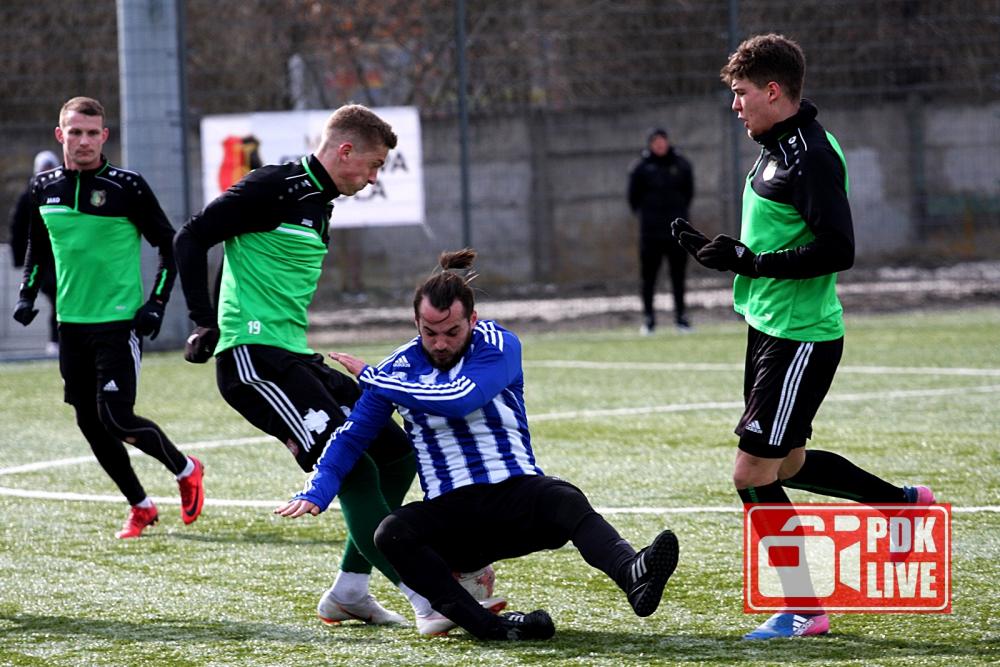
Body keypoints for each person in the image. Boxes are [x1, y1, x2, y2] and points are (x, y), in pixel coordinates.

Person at [670, 34, 936, 640]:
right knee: (783, 463)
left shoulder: (809, 152)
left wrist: (754, 264)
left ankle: (804, 607)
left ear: (772, 90)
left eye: (741, 95)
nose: (735, 106)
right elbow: (775, 236)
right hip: (769, 329)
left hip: (800, 337)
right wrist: (728, 256)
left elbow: (838, 249)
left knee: (750, 473)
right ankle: (901, 505)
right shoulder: (773, 146)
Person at [275, 248, 680, 641]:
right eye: (429, 332)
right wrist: (321, 485)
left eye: (452, 331)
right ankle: (492, 628)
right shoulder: (398, 367)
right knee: (391, 533)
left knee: (563, 497)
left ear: (473, 318)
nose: (440, 343)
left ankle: (633, 572)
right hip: (454, 519)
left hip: (515, 498)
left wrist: (375, 377)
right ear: (416, 323)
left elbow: (461, 398)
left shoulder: (497, 343)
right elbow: (353, 435)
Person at [173, 103, 438, 628]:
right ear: (345, 151)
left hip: (294, 356)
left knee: (395, 449)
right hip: (253, 360)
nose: (374, 176)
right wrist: (205, 322)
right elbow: (191, 237)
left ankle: (350, 591)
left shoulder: (321, 201)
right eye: (373, 164)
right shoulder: (274, 185)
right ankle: (428, 596)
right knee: (353, 465)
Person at [12, 96, 204, 539]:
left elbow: (167, 244)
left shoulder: (127, 186)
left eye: (92, 133)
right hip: (71, 325)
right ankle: (141, 506)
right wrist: (27, 295)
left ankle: (186, 468)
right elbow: (37, 249)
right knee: (88, 421)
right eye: (75, 132)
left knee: (116, 417)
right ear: (60, 135)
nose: (83, 141)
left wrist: (156, 302)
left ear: (104, 136)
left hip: (118, 323)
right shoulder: (43, 188)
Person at [628, 127, 694, 334]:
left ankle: (681, 318)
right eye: (656, 141)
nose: (660, 145)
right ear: (650, 144)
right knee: (648, 278)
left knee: (678, 276)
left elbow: (689, 193)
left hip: (677, 235)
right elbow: (633, 198)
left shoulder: (681, 165)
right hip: (651, 234)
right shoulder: (641, 168)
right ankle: (649, 319)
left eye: (663, 140)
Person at [9, 149, 62, 354]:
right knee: (56, 296)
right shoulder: (30, 194)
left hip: (60, 257)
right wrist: (19, 258)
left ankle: (58, 341)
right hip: (43, 260)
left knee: (61, 298)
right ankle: (55, 342)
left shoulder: (63, 190)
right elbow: (18, 227)